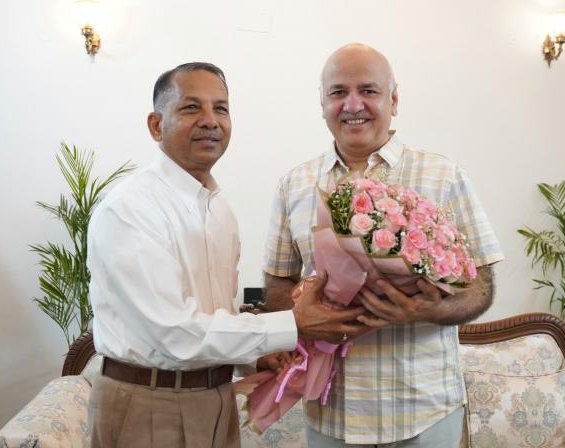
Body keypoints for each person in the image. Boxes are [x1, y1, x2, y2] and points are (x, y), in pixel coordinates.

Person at [86, 62, 368, 448]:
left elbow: (216, 314)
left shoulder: (220, 211)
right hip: (150, 402)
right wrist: (293, 324)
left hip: (215, 399)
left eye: (221, 108)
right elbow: (173, 334)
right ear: (156, 125)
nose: (210, 121)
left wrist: (252, 359)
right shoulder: (131, 208)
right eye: (191, 107)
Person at [263, 44, 505, 447]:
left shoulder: (443, 176)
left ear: (393, 99)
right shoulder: (294, 185)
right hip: (332, 413)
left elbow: (481, 284)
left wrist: (426, 310)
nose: (352, 105)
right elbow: (276, 283)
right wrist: (303, 316)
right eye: (338, 92)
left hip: (425, 410)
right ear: (322, 103)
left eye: (368, 90)